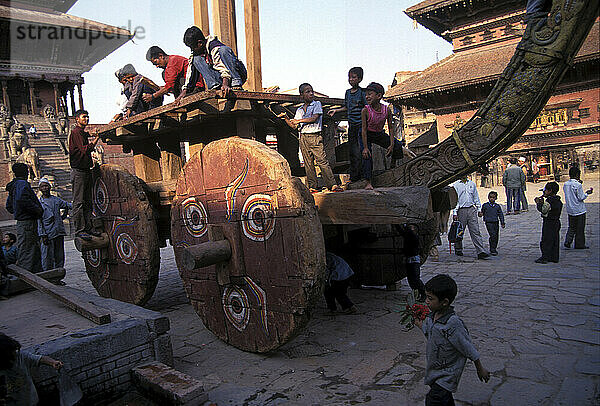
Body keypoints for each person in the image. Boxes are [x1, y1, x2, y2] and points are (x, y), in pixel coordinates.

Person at [414, 275, 490, 406]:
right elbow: (429, 331)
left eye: (430, 298)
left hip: (447, 374)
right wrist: (417, 322)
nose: (426, 301)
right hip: (435, 371)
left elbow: (468, 348)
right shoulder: (433, 316)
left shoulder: (453, 324)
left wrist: (480, 368)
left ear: (444, 302)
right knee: (445, 400)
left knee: (434, 400)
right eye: (426, 297)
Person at [279, 83, 342, 193]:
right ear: (302, 95)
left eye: (311, 91)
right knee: (308, 163)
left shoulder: (316, 104)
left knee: (322, 161)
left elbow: (314, 118)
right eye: (307, 92)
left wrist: (298, 120)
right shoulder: (299, 110)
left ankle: (332, 185)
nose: (311, 93)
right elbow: (294, 126)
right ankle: (313, 186)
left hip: (315, 136)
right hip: (303, 136)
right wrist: (286, 118)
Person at [176, 26, 246, 102]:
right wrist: (184, 92)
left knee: (223, 50)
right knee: (196, 59)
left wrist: (225, 84)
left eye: (193, 47)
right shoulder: (196, 54)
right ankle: (215, 86)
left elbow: (223, 68)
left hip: (235, 74)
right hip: (222, 79)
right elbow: (190, 74)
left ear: (200, 43)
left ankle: (236, 83)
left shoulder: (215, 47)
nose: (192, 50)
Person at [360, 82, 404, 190]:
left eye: (370, 94)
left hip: (379, 134)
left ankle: (392, 168)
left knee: (398, 146)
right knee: (367, 156)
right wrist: (365, 147)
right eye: (366, 94)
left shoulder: (386, 110)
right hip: (367, 135)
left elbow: (390, 128)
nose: (367, 97)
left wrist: (392, 144)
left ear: (379, 96)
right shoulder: (365, 110)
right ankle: (368, 182)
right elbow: (364, 130)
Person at [0, 333, 63, 406]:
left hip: (31, 401)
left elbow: (40, 359)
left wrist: (53, 362)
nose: (14, 353)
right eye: (11, 353)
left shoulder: (20, 356)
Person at [327, 67, 366, 183]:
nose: (351, 80)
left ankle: (363, 176)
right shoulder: (348, 93)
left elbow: (366, 108)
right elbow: (346, 107)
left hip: (361, 126)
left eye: (354, 77)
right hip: (352, 126)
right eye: (349, 77)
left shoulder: (362, 93)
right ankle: (354, 177)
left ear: (359, 79)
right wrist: (336, 111)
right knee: (353, 152)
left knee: (361, 151)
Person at [69, 109, 101, 241]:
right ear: (77, 119)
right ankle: (80, 230)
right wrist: (96, 139)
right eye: (83, 117)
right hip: (79, 172)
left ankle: (88, 228)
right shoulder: (76, 132)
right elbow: (85, 149)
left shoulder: (81, 133)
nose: (86, 119)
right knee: (79, 202)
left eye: (87, 117)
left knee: (88, 201)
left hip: (85, 170)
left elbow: (86, 135)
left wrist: (93, 134)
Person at [5, 163, 43, 273]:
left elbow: (9, 206)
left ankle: (37, 272)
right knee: (27, 249)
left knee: (33, 248)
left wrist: (17, 211)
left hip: (23, 221)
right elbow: (22, 200)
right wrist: (37, 210)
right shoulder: (22, 184)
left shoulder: (14, 185)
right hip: (27, 221)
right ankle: (27, 275)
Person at [451, 175, 489, 259]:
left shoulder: (472, 184)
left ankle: (480, 251)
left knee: (475, 230)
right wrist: (455, 212)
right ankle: (458, 248)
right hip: (461, 210)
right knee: (460, 231)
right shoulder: (456, 185)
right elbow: (455, 200)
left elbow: (476, 197)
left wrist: (479, 208)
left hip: (471, 209)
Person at [37, 178, 71, 271]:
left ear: (49, 187)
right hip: (47, 233)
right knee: (47, 256)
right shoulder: (39, 203)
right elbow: (39, 221)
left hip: (58, 231)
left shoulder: (56, 200)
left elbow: (67, 205)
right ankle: (49, 275)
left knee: (59, 255)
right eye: (42, 186)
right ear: (40, 188)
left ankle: (59, 274)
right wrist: (43, 234)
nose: (45, 188)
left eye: (46, 186)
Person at [563, 166, 593, 249]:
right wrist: (587, 193)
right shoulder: (578, 185)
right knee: (580, 228)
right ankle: (579, 244)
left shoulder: (566, 184)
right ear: (577, 175)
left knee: (571, 226)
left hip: (570, 209)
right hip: (579, 209)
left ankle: (568, 241)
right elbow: (581, 197)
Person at [534, 181, 563, 264]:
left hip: (549, 222)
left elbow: (543, 210)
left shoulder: (549, 201)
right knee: (554, 239)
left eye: (545, 190)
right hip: (556, 222)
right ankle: (554, 257)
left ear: (549, 191)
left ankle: (545, 257)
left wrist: (539, 204)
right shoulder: (558, 201)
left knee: (546, 240)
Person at [397, 224, 426, 302]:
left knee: (415, 278)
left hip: (414, 259)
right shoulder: (408, 235)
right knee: (410, 279)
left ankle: (423, 293)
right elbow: (401, 231)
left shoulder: (413, 237)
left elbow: (404, 233)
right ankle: (416, 293)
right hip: (409, 259)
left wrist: (403, 225)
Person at [481, 191, 505, 256]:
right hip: (488, 222)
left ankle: (494, 247)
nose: (492, 199)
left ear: (496, 198)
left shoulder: (497, 206)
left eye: (493, 197)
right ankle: (492, 249)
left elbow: (500, 214)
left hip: (495, 222)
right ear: (488, 198)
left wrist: (502, 222)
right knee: (492, 235)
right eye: (490, 197)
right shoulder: (485, 205)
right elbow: (482, 212)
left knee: (496, 236)